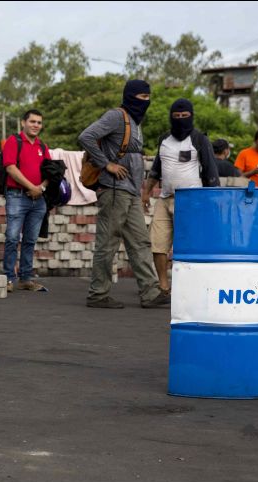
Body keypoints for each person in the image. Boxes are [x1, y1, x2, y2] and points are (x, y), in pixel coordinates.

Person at [78, 79, 169, 309]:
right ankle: (98, 294)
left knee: (140, 242)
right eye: (141, 98)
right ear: (130, 97)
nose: (145, 102)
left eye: (148, 98)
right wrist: (106, 164)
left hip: (130, 192)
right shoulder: (116, 116)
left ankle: (150, 292)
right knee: (108, 243)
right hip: (115, 190)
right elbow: (86, 137)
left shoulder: (136, 122)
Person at [142, 99, 220, 294]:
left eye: (185, 117)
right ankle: (163, 285)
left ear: (191, 116)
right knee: (158, 244)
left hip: (191, 200)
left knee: (187, 245)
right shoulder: (164, 140)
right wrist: (145, 193)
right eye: (176, 117)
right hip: (164, 198)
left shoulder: (199, 140)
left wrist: (213, 204)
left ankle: (188, 286)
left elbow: (211, 173)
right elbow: (155, 170)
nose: (180, 120)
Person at [2, 109, 50, 292]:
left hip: (39, 199)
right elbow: (10, 168)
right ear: (24, 123)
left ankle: (26, 279)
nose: (36, 125)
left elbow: (51, 171)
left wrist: (41, 188)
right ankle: (7, 279)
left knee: (30, 240)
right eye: (32, 121)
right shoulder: (14, 141)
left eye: (39, 122)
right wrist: (32, 187)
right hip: (17, 196)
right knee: (12, 238)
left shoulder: (42, 146)